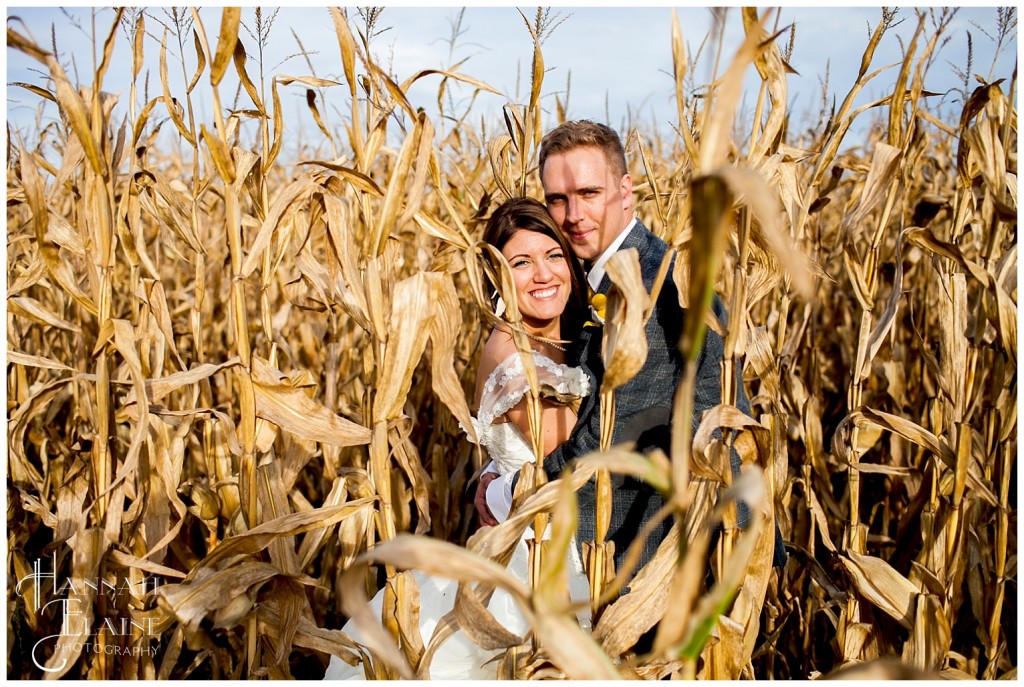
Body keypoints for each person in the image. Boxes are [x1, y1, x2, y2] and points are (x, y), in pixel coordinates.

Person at [476, 120, 787, 582]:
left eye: (589, 192)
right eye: (558, 199)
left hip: (680, 556)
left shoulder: (656, 290)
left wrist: (503, 492)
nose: (574, 214)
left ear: (626, 190)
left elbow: (605, 447)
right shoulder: (605, 282)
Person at [324, 197, 594, 680]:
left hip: (579, 538)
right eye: (521, 263)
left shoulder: (578, 337)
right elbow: (572, 447)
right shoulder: (510, 349)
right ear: (496, 278)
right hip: (536, 554)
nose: (543, 273)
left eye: (554, 256)